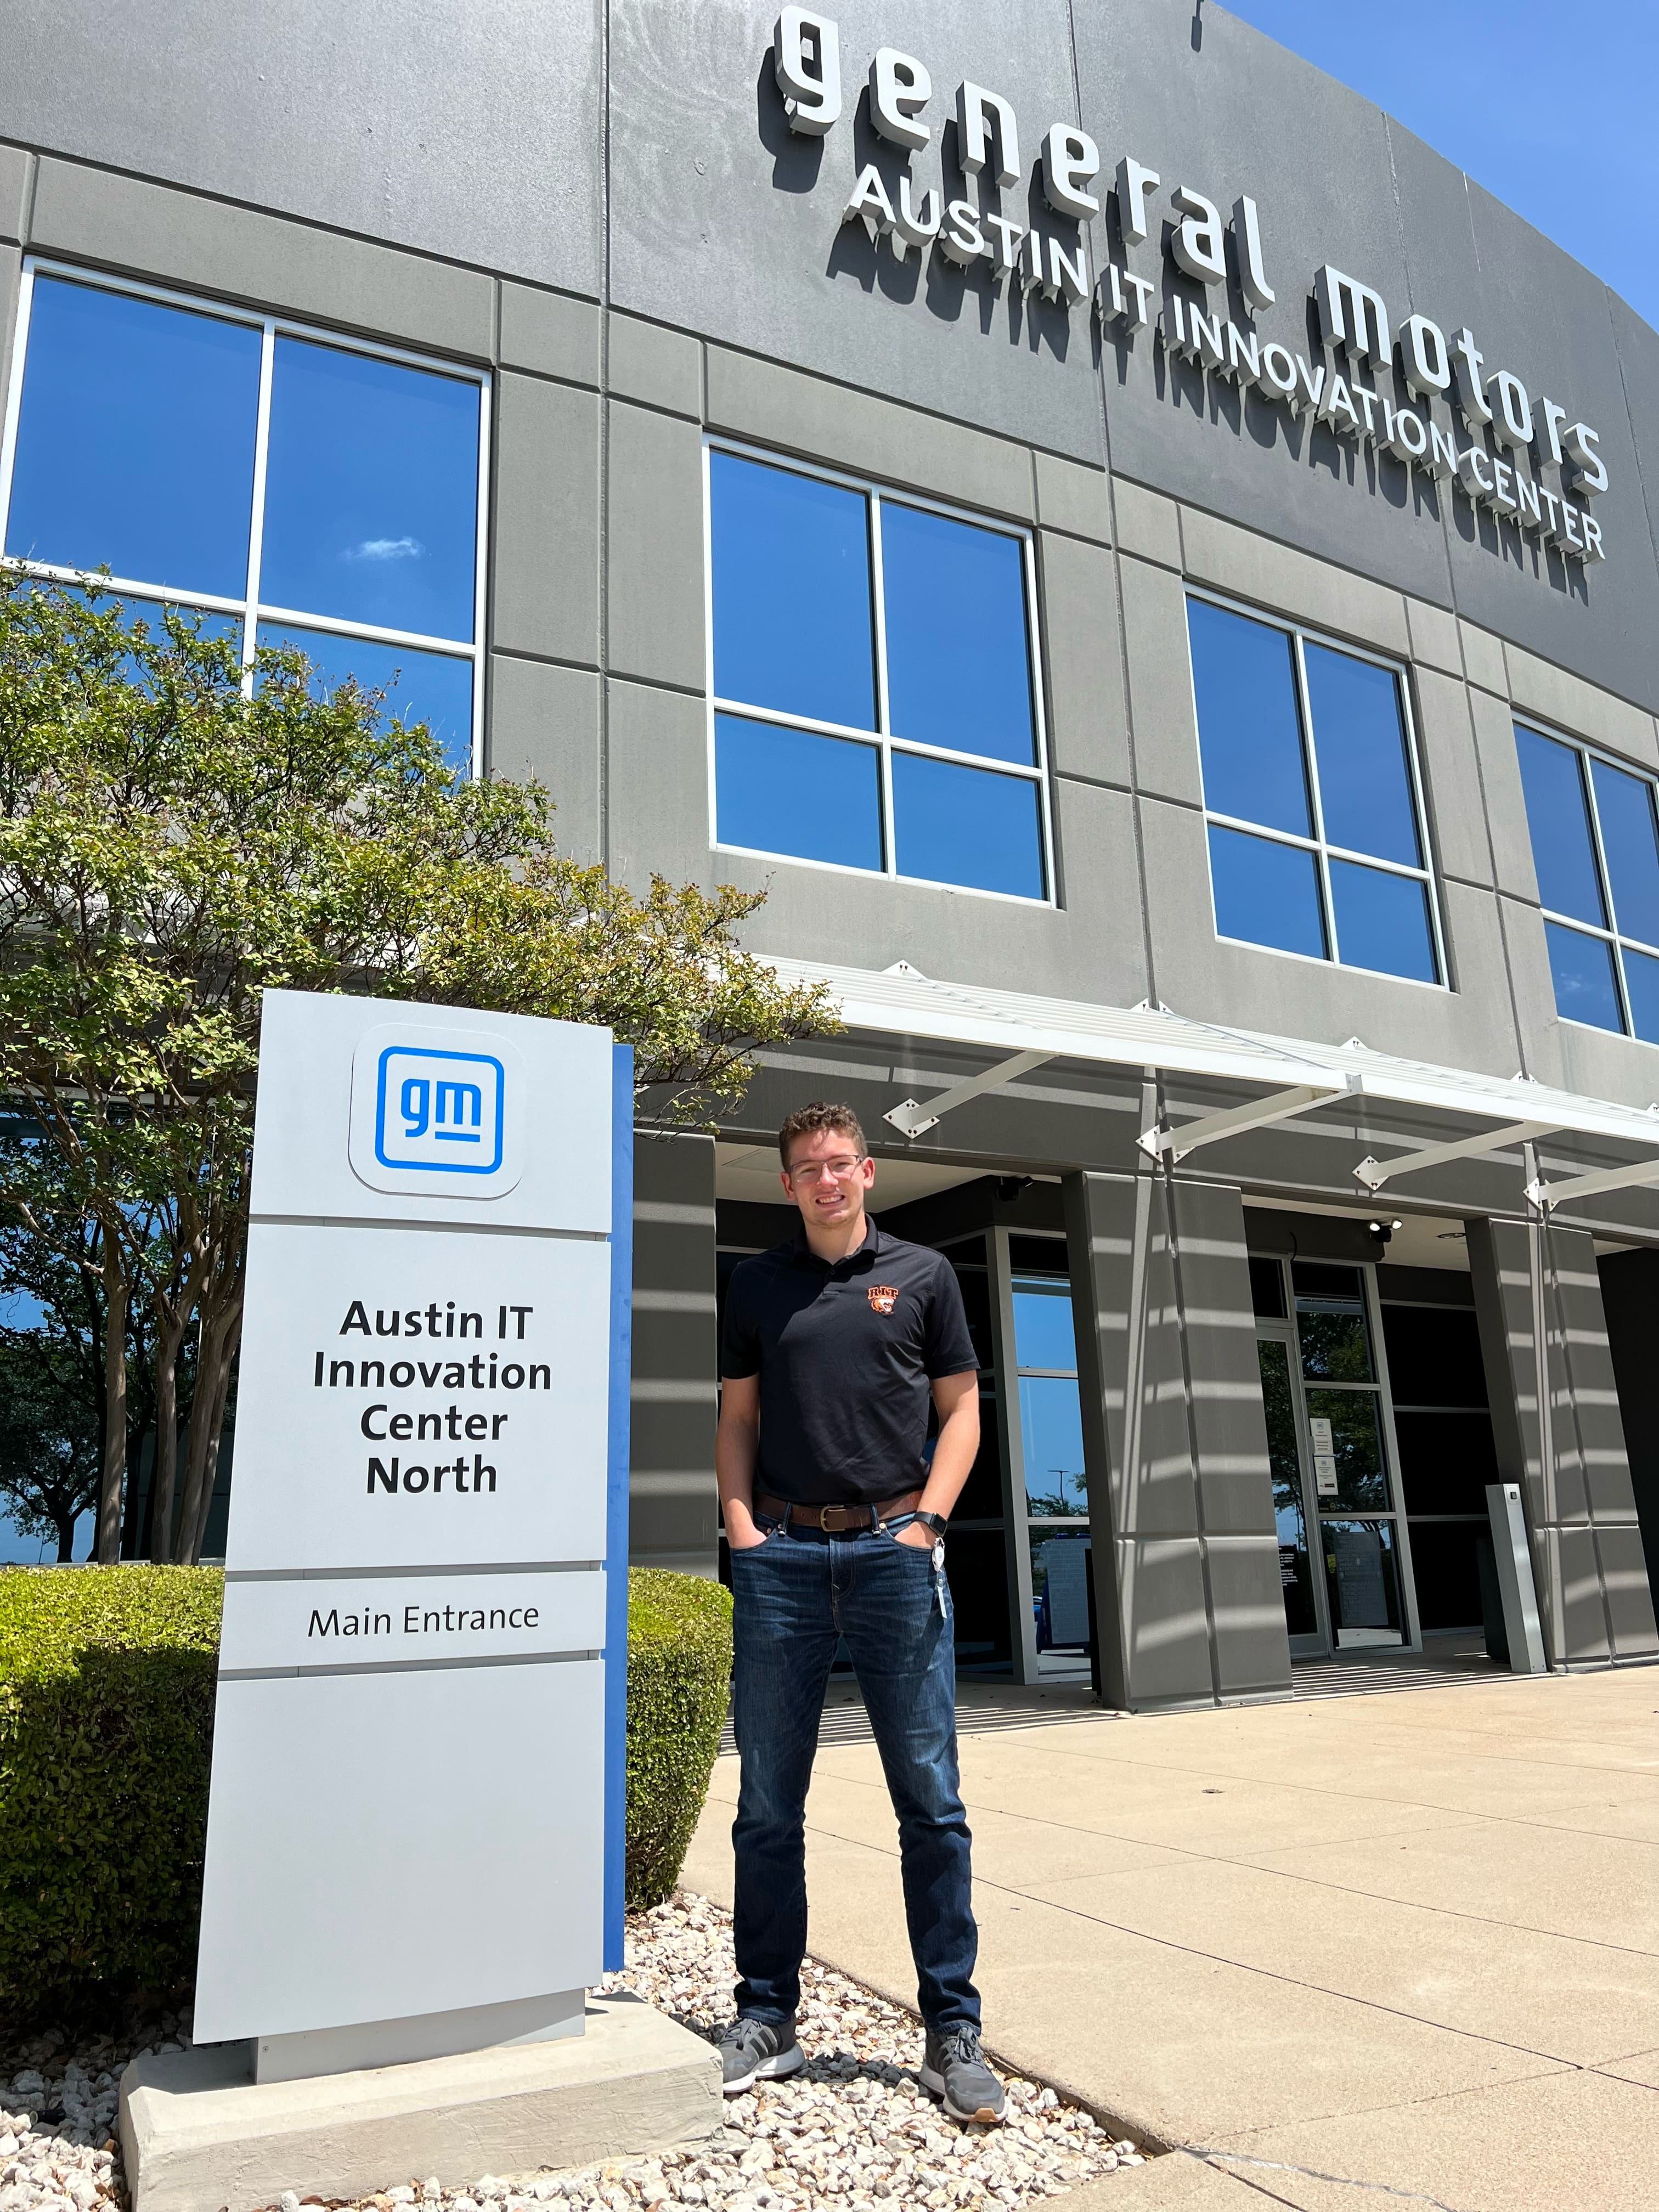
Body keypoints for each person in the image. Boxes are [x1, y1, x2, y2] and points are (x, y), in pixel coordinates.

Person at [713, 1101, 1005, 2125]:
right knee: (766, 1807)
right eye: (807, 1169)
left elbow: (962, 1408)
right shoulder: (757, 1284)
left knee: (931, 1804)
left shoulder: (924, 1276)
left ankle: (952, 2031)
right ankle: (765, 2017)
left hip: (893, 1555)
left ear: (868, 1173)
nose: (825, 1181)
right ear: (788, 1183)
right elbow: (738, 1416)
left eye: (840, 1165)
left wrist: (927, 1522)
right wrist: (742, 1530)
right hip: (783, 1557)